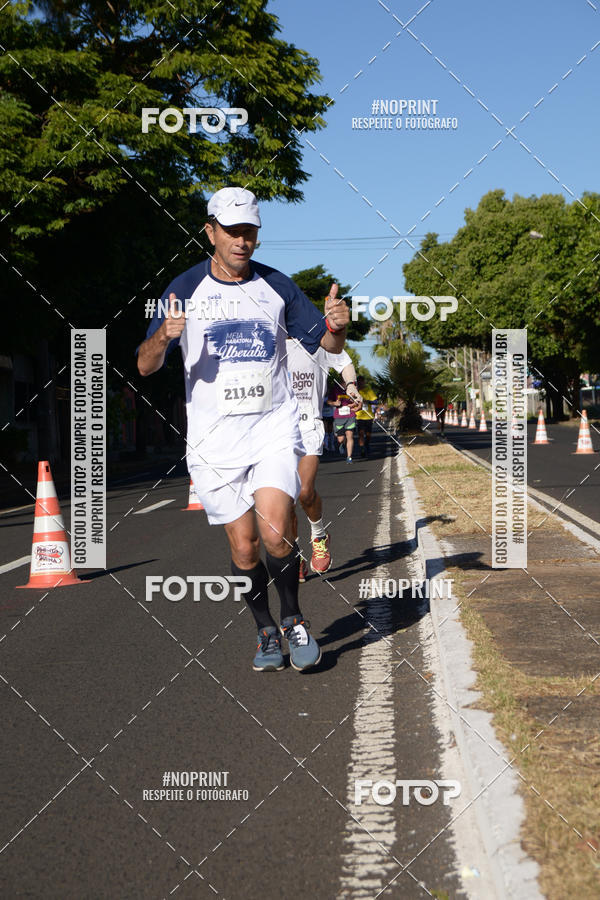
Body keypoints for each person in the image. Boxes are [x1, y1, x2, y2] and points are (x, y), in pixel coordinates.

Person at [137, 187, 350, 672]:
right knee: (244, 546)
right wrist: (162, 336)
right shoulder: (182, 290)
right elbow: (146, 366)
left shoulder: (277, 286)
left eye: (249, 231)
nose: (241, 240)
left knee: (276, 533)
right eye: (231, 231)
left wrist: (337, 325)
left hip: (272, 428)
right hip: (214, 441)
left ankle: (294, 618)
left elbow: (330, 347)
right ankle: (264, 631)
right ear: (210, 231)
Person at [285, 339, 359, 581]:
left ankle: (319, 535)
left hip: (308, 426)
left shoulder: (315, 341)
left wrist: (351, 385)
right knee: (285, 500)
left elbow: (344, 361)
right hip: (274, 430)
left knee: (305, 492)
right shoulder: (265, 340)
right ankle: (294, 554)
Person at [328, 381, 358, 462]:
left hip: (350, 416)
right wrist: (334, 403)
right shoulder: (335, 389)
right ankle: (342, 444)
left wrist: (354, 403)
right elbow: (329, 401)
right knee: (340, 439)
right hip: (339, 417)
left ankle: (349, 457)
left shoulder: (352, 389)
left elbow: (358, 401)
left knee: (350, 436)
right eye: (343, 382)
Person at [355, 375, 377, 458]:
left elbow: (375, 401)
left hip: (368, 416)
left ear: (364, 382)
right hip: (359, 416)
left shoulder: (368, 390)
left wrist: (367, 401)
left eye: (362, 382)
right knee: (360, 433)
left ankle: (367, 444)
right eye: (359, 382)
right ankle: (362, 449)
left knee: (368, 434)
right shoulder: (355, 391)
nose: (361, 384)